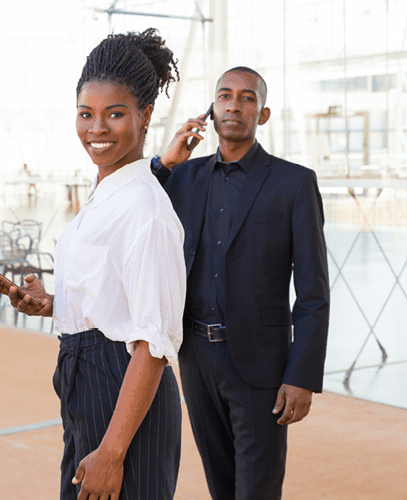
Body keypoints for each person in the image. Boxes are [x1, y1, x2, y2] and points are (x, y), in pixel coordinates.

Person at [0, 29, 186, 500]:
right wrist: (53, 304)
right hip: (86, 381)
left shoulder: (147, 209)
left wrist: (113, 451)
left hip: (120, 389)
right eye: (86, 114)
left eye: (114, 114)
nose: (96, 128)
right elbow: (114, 300)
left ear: (145, 116)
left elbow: (153, 341)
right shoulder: (107, 193)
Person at [149, 67, 331, 500]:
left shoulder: (294, 182)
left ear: (262, 114)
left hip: (261, 366)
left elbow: (313, 292)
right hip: (196, 360)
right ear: (211, 111)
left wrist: (302, 376)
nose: (234, 105)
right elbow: (130, 210)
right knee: (221, 485)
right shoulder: (182, 178)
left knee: (257, 491)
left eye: (247, 98)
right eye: (225, 96)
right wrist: (163, 162)